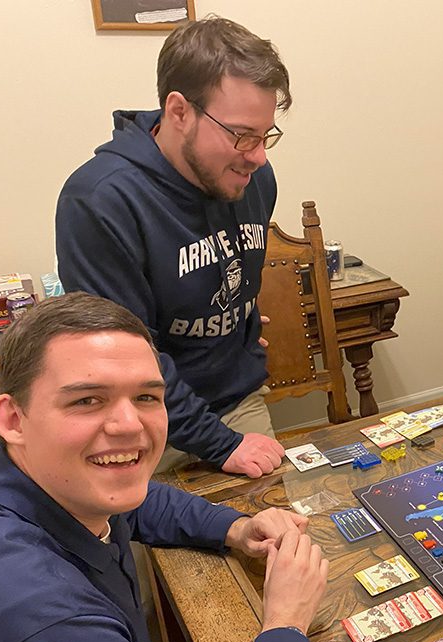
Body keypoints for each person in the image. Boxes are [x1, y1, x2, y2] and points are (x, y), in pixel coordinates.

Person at [0, 293, 329, 642]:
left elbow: (136, 500)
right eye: (87, 400)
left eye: (145, 397)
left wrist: (236, 528)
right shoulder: (44, 618)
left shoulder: (34, 476)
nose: (130, 425)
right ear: (12, 418)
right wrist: (287, 622)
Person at [56, 17, 290, 478]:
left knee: (281, 521)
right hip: (137, 424)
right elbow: (123, 356)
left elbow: (233, 271)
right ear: (179, 111)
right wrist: (220, 445)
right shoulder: (99, 200)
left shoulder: (253, 178)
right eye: (242, 135)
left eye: (266, 135)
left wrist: (239, 331)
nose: (258, 155)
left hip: (237, 404)